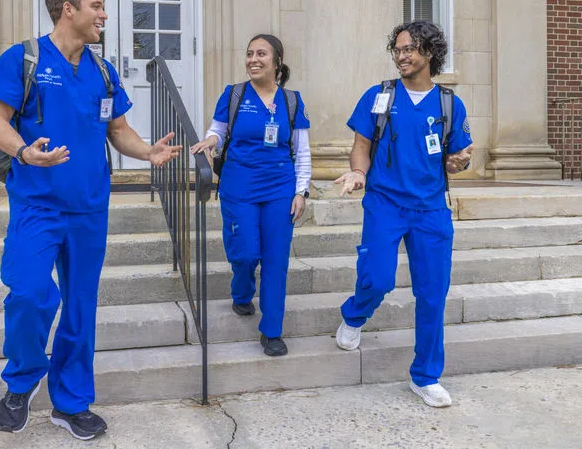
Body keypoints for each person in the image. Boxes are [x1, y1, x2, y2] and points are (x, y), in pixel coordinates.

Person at [0, 0, 181, 440]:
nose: (105, 15)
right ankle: (24, 379)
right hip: (37, 204)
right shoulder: (24, 59)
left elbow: (117, 130)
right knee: (30, 293)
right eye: (97, 6)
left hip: (90, 207)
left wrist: (148, 151)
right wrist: (25, 152)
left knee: (80, 307)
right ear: (69, 10)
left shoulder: (103, 71)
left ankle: (70, 402)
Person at [333, 21, 473, 407]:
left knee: (432, 294)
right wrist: (359, 172)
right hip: (384, 204)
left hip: (430, 210)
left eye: (409, 48)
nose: (402, 55)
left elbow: (452, 159)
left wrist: (458, 164)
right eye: (397, 49)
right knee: (378, 279)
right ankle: (355, 314)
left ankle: (426, 376)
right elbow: (361, 145)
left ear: (430, 52)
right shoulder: (380, 96)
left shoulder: (449, 104)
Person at [191, 34, 311, 357]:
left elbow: (301, 152)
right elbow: (218, 130)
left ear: (276, 62)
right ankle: (241, 290)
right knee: (245, 252)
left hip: (280, 188)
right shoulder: (234, 95)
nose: (253, 59)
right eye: (249, 54)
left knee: (275, 259)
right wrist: (211, 141)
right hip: (239, 185)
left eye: (261, 54)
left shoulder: (292, 101)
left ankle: (271, 329)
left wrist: (301, 191)